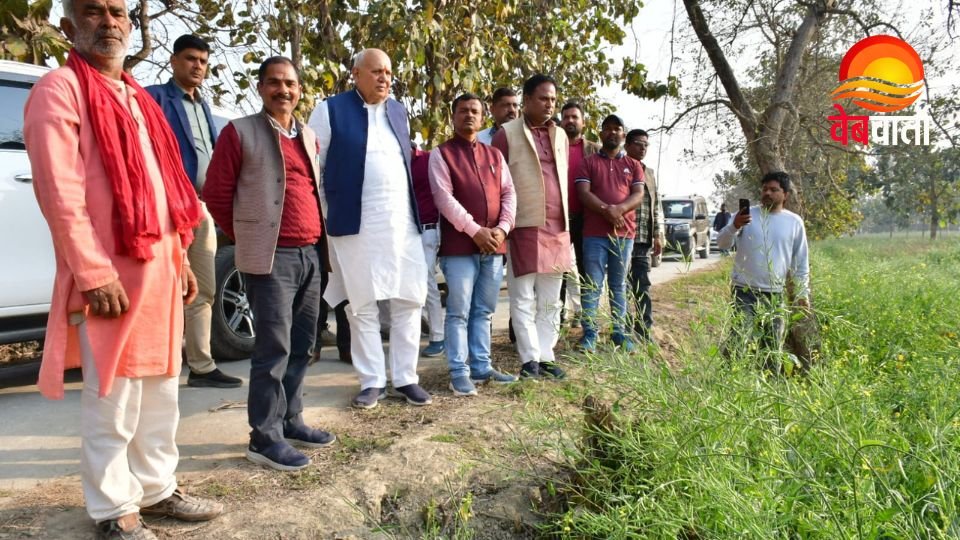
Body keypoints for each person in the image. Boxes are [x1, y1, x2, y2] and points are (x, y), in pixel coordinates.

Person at [24, 0, 223, 535]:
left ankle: (156, 489)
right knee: (113, 394)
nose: (108, 22)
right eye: (93, 12)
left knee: (161, 387)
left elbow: (164, 186)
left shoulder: (139, 97)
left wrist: (181, 258)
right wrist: (92, 272)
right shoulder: (60, 89)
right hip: (111, 273)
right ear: (68, 26)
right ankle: (114, 510)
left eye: (118, 12)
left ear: (131, 27)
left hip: (160, 266)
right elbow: (59, 192)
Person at [204, 57, 336, 472]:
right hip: (272, 258)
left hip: (311, 254)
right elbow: (217, 194)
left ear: (300, 90)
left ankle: (291, 420)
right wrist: (247, 236)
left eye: (291, 84)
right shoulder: (239, 132)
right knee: (272, 350)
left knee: (303, 346)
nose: (284, 90)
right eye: (275, 83)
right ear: (261, 88)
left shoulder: (308, 135)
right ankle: (264, 437)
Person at [308, 48, 432, 409]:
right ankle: (372, 380)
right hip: (354, 224)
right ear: (356, 73)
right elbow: (316, 168)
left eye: (389, 73)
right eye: (376, 71)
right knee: (362, 305)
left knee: (409, 300)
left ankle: (406, 377)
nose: (385, 78)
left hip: (402, 223)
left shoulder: (397, 110)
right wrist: (326, 221)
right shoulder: (329, 110)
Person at [145, 34, 242, 389]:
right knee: (160, 288)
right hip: (165, 206)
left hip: (201, 209)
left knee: (202, 288)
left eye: (202, 61)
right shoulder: (154, 98)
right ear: (173, 61)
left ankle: (201, 366)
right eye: (190, 59)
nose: (197, 66)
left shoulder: (202, 106)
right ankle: (156, 363)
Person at [429, 93, 517, 396]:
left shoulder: (494, 155)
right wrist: (476, 231)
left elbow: (509, 194)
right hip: (459, 248)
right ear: (453, 117)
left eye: (475, 111)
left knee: (484, 311)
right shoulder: (442, 154)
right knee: (458, 312)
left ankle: (481, 366)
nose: (469, 115)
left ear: (482, 118)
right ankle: (459, 372)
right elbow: (444, 199)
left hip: (494, 246)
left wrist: (502, 230)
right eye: (463, 111)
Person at [491, 74, 571, 380]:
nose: (549, 104)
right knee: (522, 297)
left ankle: (546, 356)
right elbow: (498, 185)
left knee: (552, 298)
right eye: (542, 98)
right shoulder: (506, 134)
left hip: (557, 227)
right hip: (522, 225)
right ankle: (528, 361)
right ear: (527, 100)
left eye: (553, 99)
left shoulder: (561, 136)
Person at [716, 171, 810, 352]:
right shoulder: (745, 216)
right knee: (738, 341)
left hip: (774, 294)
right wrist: (734, 225)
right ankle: (730, 378)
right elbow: (722, 243)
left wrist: (802, 293)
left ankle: (770, 379)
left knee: (772, 347)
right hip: (744, 290)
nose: (767, 193)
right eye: (765, 189)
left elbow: (801, 261)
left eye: (774, 190)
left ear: (785, 195)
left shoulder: (794, 222)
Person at [575, 115, 645, 352]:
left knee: (618, 284)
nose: (613, 133)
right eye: (608, 129)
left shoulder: (634, 165)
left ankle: (619, 333)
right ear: (601, 133)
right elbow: (583, 193)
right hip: (594, 234)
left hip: (624, 235)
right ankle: (590, 334)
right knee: (592, 284)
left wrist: (619, 210)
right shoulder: (589, 162)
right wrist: (606, 210)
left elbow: (638, 195)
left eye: (617, 129)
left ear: (623, 135)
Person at [559, 101, 600, 327]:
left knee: (587, 270)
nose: (570, 121)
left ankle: (587, 318)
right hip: (559, 219)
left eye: (575, 117)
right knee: (559, 271)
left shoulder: (594, 149)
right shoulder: (553, 146)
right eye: (566, 117)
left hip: (587, 220)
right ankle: (559, 316)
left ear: (583, 122)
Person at [624, 129, 665, 342]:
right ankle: (621, 328)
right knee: (621, 285)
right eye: (639, 143)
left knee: (642, 285)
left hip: (642, 239)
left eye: (646, 145)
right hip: (622, 236)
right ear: (627, 145)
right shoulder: (620, 167)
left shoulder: (648, 172)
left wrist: (657, 234)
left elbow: (655, 204)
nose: (643, 148)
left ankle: (643, 329)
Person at [412, 145, 446, 357]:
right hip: (403, 232)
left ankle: (438, 337)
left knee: (426, 283)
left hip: (428, 231)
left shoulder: (427, 159)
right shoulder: (393, 160)